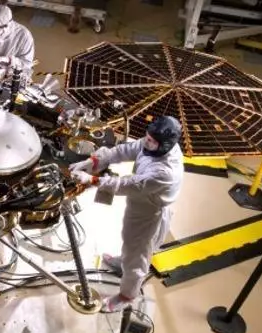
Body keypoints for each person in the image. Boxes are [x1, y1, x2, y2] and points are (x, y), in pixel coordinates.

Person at [69, 116, 184, 312]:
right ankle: (123, 262)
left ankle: (127, 296)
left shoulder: (165, 171)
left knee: (137, 254)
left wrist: (91, 180)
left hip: (149, 212)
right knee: (129, 238)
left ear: (165, 145)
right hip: (139, 203)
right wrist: (93, 160)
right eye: (147, 137)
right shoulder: (154, 144)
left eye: (151, 141)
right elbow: (125, 150)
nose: (146, 142)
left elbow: (126, 184)